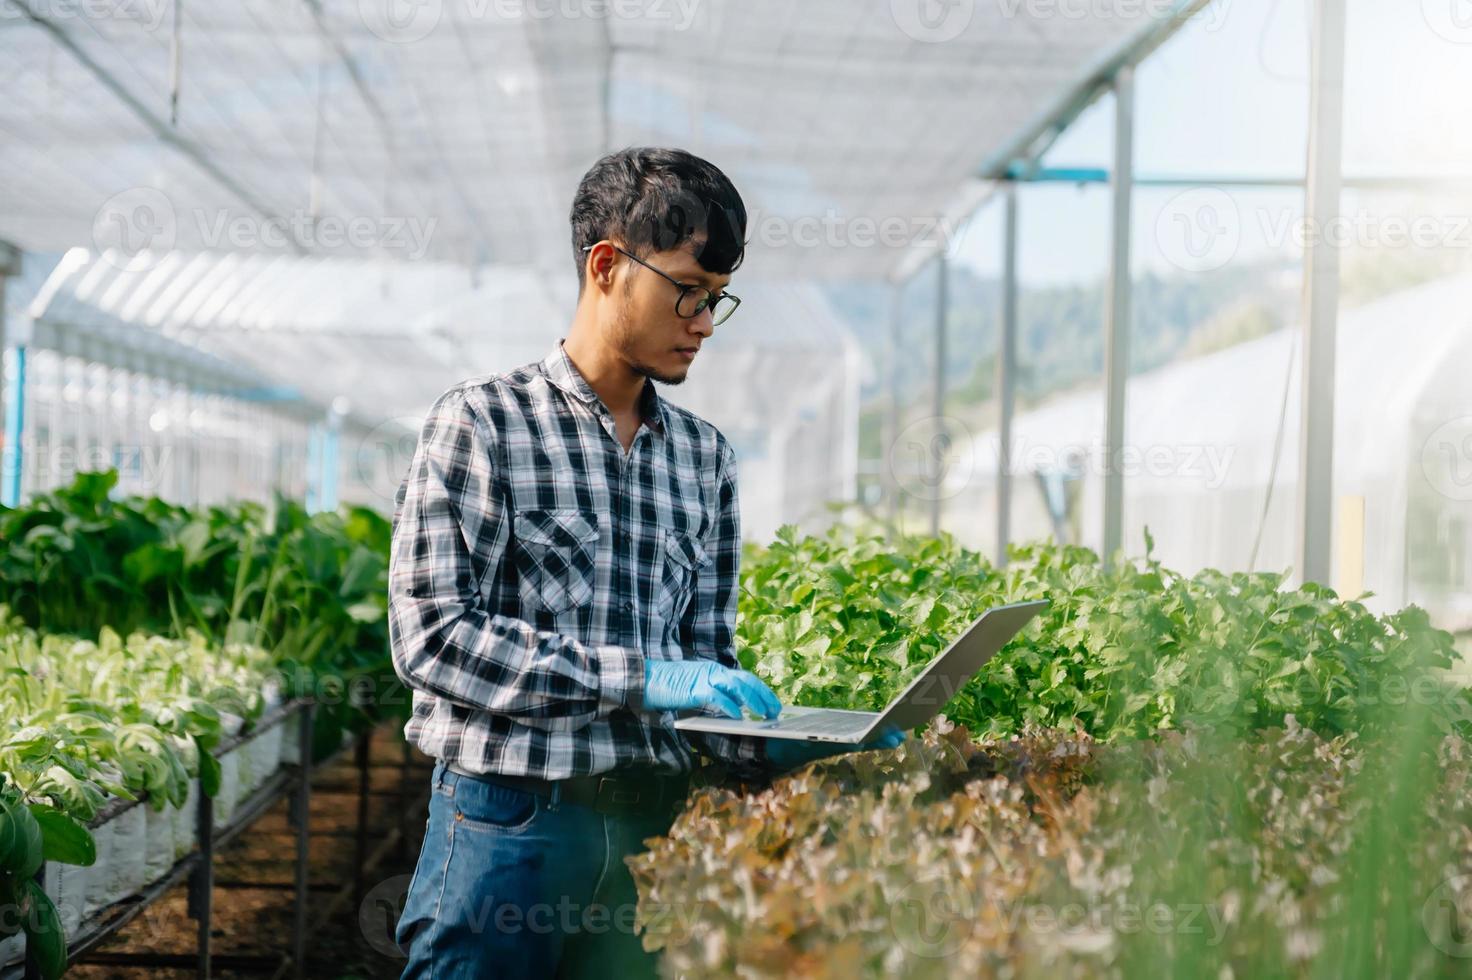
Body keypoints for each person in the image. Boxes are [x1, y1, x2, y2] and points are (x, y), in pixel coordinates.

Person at [388, 146, 903, 979]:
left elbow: (706, 663)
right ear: (606, 266)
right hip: (506, 831)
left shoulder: (704, 460)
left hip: (649, 842)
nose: (703, 322)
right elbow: (434, 639)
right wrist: (642, 678)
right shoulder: (483, 426)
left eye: (716, 301)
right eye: (688, 293)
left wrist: (799, 741)